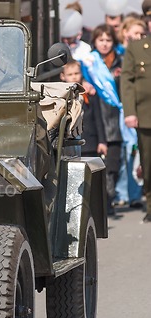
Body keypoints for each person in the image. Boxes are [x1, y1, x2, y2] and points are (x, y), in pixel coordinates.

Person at [81, 24, 124, 215]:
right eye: (101, 40)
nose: (105, 44)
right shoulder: (88, 62)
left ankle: (110, 198)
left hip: (116, 119)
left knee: (114, 165)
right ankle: (102, 204)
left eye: (108, 40)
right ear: (95, 41)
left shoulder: (121, 61)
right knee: (97, 168)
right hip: (96, 121)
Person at [121, 28, 151, 222]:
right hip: (146, 115)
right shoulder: (136, 47)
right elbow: (127, 80)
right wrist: (130, 111)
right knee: (148, 164)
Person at [61, 60, 107, 158]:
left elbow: (98, 118)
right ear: (63, 76)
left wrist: (102, 141)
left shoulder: (90, 93)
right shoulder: (60, 96)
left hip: (89, 143)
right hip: (68, 143)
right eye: (70, 74)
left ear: (81, 73)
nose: (74, 77)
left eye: (76, 73)